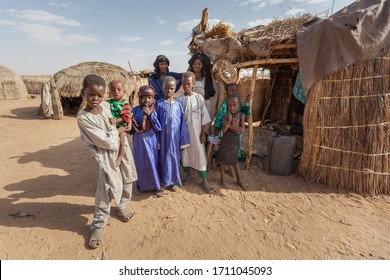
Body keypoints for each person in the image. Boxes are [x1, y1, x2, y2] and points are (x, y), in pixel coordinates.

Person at [77, 74, 137, 249]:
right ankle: (97, 225)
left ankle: (121, 206)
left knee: (127, 178)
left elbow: (125, 120)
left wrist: (125, 126)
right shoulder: (84, 118)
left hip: (122, 148)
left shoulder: (106, 106)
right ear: (83, 93)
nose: (95, 99)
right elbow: (104, 140)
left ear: (104, 95)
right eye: (91, 94)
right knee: (105, 189)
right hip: (106, 156)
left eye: (99, 95)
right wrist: (118, 130)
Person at [177, 71, 213, 193]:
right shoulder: (179, 101)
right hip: (185, 135)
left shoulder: (199, 98)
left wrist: (203, 133)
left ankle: (204, 180)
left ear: (193, 83)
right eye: (184, 83)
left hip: (197, 135)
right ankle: (188, 176)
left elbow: (204, 117)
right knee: (186, 156)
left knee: (200, 156)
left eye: (189, 83)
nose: (186, 86)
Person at [156, 76, 190, 191]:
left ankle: (173, 182)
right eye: (166, 88)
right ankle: (163, 180)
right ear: (162, 88)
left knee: (174, 159)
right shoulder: (158, 104)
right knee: (163, 159)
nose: (169, 91)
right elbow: (155, 123)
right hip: (162, 139)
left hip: (175, 140)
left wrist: (183, 140)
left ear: (175, 88)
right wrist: (157, 140)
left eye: (171, 88)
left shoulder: (178, 104)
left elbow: (182, 124)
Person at [131, 85, 163, 197]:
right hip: (139, 141)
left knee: (151, 162)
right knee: (140, 162)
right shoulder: (134, 110)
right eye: (143, 97)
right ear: (139, 98)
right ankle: (142, 185)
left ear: (153, 98)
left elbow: (158, 127)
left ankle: (156, 187)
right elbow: (131, 127)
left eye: (149, 97)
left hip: (150, 141)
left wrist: (150, 115)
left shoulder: (153, 110)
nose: (146, 100)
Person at [216, 94, 247, 191]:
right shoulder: (226, 116)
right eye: (229, 106)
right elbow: (224, 131)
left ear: (238, 105)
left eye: (234, 105)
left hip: (234, 142)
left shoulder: (241, 115)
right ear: (227, 106)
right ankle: (222, 179)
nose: (232, 107)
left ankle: (238, 179)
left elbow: (241, 129)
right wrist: (228, 121)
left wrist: (229, 126)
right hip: (225, 141)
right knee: (221, 160)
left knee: (234, 161)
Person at [213, 83, 251, 161]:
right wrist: (216, 128)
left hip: (236, 131)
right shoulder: (225, 104)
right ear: (226, 92)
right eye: (231, 90)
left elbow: (245, 113)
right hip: (225, 131)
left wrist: (247, 103)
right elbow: (219, 117)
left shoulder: (239, 102)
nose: (234, 92)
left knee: (234, 145)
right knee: (217, 141)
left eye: (235, 90)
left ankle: (231, 159)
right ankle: (216, 157)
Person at [188, 53, 218, 134]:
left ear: (204, 66)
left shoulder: (209, 82)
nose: (196, 66)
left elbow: (211, 103)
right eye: (194, 63)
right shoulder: (187, 80)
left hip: (202, 116)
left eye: (199, 64)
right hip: (189, 115)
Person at [107, 79, 132, 167]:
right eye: (113, 90)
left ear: (124, 91)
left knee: (121, 138)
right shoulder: (109, 102)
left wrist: (116, 121)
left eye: (119, 89)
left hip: (122, 125)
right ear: (109, 92)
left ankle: (120, 155)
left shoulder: (125, 103)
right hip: (113, 126)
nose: (116, 92)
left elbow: (126, 117)